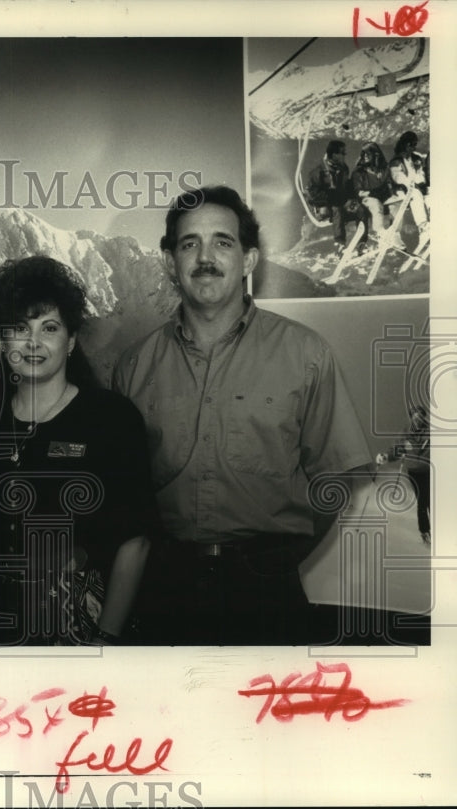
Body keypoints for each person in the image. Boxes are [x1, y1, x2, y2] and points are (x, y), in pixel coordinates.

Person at [113, 186, 372, 645]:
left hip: (269, 590)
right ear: (171, 263)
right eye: (189, 243)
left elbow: (343, 477)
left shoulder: (305, 354)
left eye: (222, 242)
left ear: (249, 260)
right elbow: (122, 498)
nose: (205, 257)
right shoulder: (134, 367)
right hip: (164, 589)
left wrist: (287, 559)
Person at [0, 256, 157, 645]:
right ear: (3, 338)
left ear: (71, 340)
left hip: (87, 633)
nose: (33, 342)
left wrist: (104, 640)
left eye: (50, 328)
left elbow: (135, 538)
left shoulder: (111, 418)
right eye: (20, 328)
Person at [376, 405, 430, 544]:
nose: (417, 420)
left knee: (433, 500)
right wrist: (385, 457)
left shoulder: (431, 432)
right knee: (423, 500)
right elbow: (396, 451)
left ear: (424, 417)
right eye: (415, 417)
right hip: (415, 472)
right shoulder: (406, 433)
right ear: (411, 418)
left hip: (431, 470)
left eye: (420, 417)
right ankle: (425, 531)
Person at [307, 139, 369, 249]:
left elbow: (345, 187)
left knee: (361, 210)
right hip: (326, 205)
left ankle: (362, 243)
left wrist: (354, 195)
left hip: (342, 200)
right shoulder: (319, 172)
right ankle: (340, 243)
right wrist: (333, 198)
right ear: (334, 154)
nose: (344, 156)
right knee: (338, 209)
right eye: (343, 153)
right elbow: (313, 193)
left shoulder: (343, 168)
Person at [352, 142, 397, 243]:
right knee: (376, 204)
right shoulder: (359, 172)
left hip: (382, 197)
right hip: (367, 199)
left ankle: (394, 232)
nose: (365, 156)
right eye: (363, 153)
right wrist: (371, 193)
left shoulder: (383, 169)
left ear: (375, 154)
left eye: (368, 153)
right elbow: (358, 192)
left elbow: (389, 183)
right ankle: (379, 232)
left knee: (394, 205)